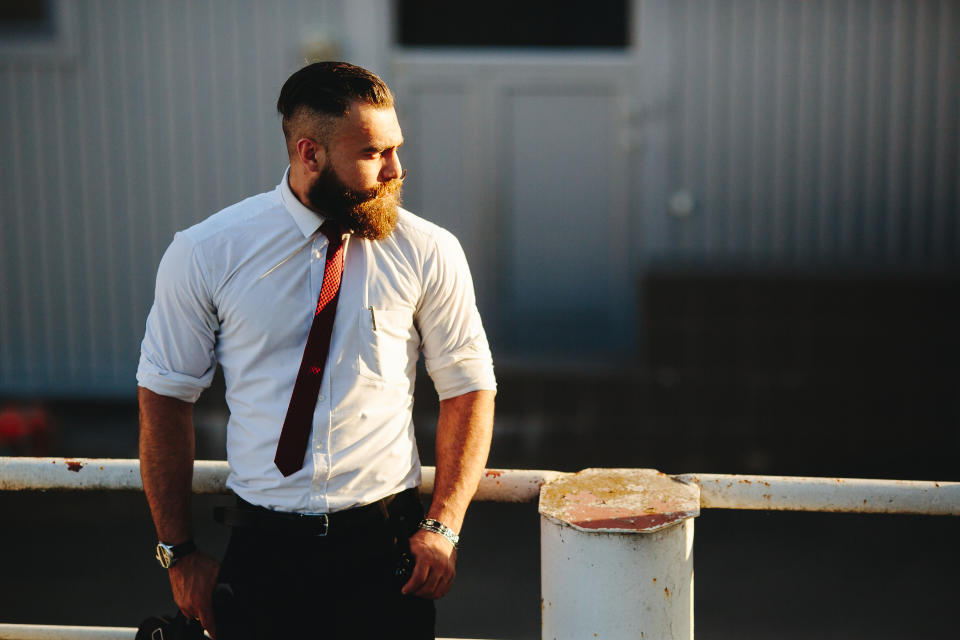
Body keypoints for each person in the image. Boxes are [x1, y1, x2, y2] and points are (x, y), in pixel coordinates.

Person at [137, 61, 496, 639]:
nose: (396, 170)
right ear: (310, 154)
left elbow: (470, 388)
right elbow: (164, 397)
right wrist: (177, 553)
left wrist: (445, 525)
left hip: (387, 557)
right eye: (374, 153)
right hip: (262, 557)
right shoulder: (207, 253)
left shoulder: (429, 251)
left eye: (396, 148)